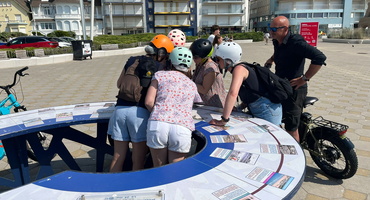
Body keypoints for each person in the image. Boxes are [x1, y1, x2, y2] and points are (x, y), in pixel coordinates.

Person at [108, 35, 174, 172]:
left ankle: (111, 186)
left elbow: (119, 84)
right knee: (138, 160)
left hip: (119, 111)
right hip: (139, 115)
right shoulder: (159, 68)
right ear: (161, 53)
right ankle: (135, 189)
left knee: (117, 156)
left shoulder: (131, 60)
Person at [264, 16, 326, 142]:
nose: (271, 31)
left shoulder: (296, 42)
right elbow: (279, 52)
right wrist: (271, 60)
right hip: (281, 85)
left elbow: (320, 57)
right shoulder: (277, 40)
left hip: (295, 89)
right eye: (270, 28)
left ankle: (296, 157)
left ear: (285, 29)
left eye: (274, 29)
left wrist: (304, 78)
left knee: (291, 127)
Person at [145, 47, 202, 167]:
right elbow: (196, 102)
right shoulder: (192, 85)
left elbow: (149, 102)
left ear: (170, 62)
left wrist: (158, 113)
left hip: (158, 123)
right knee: (176, 172)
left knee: (158, 168)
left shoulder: (159, 75)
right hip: (182, 127)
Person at [209, 42, 282, 126]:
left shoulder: (239, 69)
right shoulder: (241, 67)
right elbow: (252, 92)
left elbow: (233, 93)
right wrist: (239, 108)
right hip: (262, 108)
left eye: (218, 59)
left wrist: (223, 120)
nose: (217, 62)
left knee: (268, 138)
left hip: (267, 110)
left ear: (228, 61)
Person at [190, 39, 227, 108]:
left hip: (214, 106)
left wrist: (188, 82)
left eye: (195, 57)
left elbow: (204, 90)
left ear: (205, 57)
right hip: (203, 105)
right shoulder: (200, 63)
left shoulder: (210, 68)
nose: (193, 59)